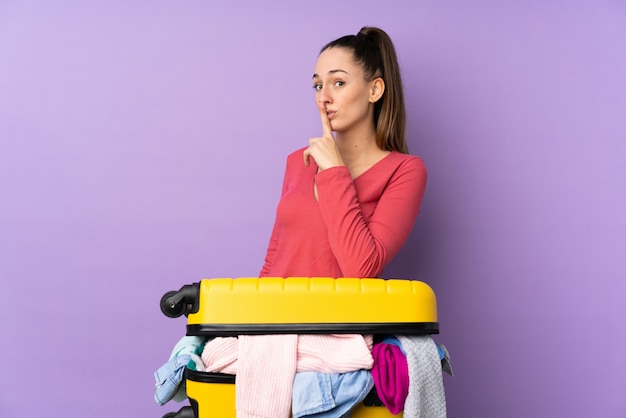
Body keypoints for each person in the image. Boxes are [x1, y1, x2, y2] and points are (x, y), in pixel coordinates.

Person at [260, 26, 427, 279]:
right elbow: (274, 260)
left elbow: (361, 270)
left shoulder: (404, 171)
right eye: (318, 86)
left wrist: (335, 171)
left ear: (375, 90)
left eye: (338, 82)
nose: (323, 98)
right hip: (277, 317)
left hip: (341, 319)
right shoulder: (299, 161)